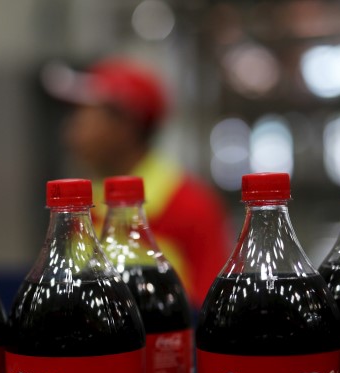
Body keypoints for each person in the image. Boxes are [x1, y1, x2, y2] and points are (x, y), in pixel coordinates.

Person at [45, 56, 234, 310]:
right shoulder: (80, 206)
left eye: (86, 113)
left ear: (126, 126)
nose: (72, 127)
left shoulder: (191, 205)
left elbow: (211, 306)